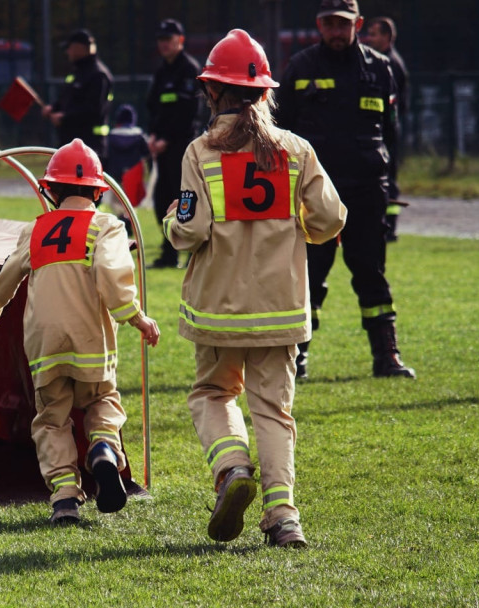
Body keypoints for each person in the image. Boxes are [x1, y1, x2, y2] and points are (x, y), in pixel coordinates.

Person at [163, 30, 346, 547]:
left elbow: (191, 231)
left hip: (217, 309)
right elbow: (330, 218)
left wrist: (169, 225)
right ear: (265, 93)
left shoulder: (200, 152)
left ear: (210, 92)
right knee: (274, 410)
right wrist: (298, 234)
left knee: (213, 393)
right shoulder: (296, 150)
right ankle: (283, 516)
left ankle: (231, 469)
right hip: (281, 309)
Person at [0, 139, 160, 526]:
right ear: (97, 190)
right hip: (91, 341)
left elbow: (6, 278)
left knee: (52, 418)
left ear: (50, 190)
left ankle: (65, 496)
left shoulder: (35, 230)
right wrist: (133, 315)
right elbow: (111, 274)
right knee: (103, 399)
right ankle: (103, 448)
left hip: (45, 345)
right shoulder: (106, 225)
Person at [275, 0, 416, 379]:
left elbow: (392, 134)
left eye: (344, 24)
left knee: (371, 271)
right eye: (329, 24)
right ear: (319, 24)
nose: (336, 31)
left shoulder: (380, 68)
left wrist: (390, 185)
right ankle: (297, 357)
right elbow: (280, 129)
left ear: (359, 23)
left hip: (367, 188)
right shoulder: (300, 67)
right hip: (315, 193)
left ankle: (386, 356)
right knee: (309, 275)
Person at [145, 18, 202, 268]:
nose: (164, 44)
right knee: (161, 200)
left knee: (184, 199)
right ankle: (169, 252)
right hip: (161, 147)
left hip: (182, 147)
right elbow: (153, 107)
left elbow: (190, 112)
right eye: (161, 40)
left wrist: (166, 139)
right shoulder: (161, 71)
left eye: (168, 40)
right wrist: (154, 137)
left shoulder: (189, 69)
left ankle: (192, 249)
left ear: (180, 41)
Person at [363, 16, 409, 242]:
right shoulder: (382, 61)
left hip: (387, 131)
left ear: (387, 37)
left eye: (374, 34)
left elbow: (396, 104)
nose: (369, 39)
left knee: (388, 179)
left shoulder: (391, 64)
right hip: (383, 129)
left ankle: (390, 228)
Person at [42, 29, 114, 162]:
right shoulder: (77, 72)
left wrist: (65, 117)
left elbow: (94, 110)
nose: (67, 52)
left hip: (90, 147)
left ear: (80, 47)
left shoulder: (98, 75)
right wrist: (53, 108)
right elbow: (67, 98)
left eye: (69, 48)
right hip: (70, 144)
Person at [103, 103, 150, 234]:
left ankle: (120, 218)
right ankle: (129, 218)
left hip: (115, 173)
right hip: (133, 172)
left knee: (116, 199)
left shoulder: (111, 135)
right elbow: (146, 153)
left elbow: (106, 155)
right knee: (130, 200)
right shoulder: (139, 135)